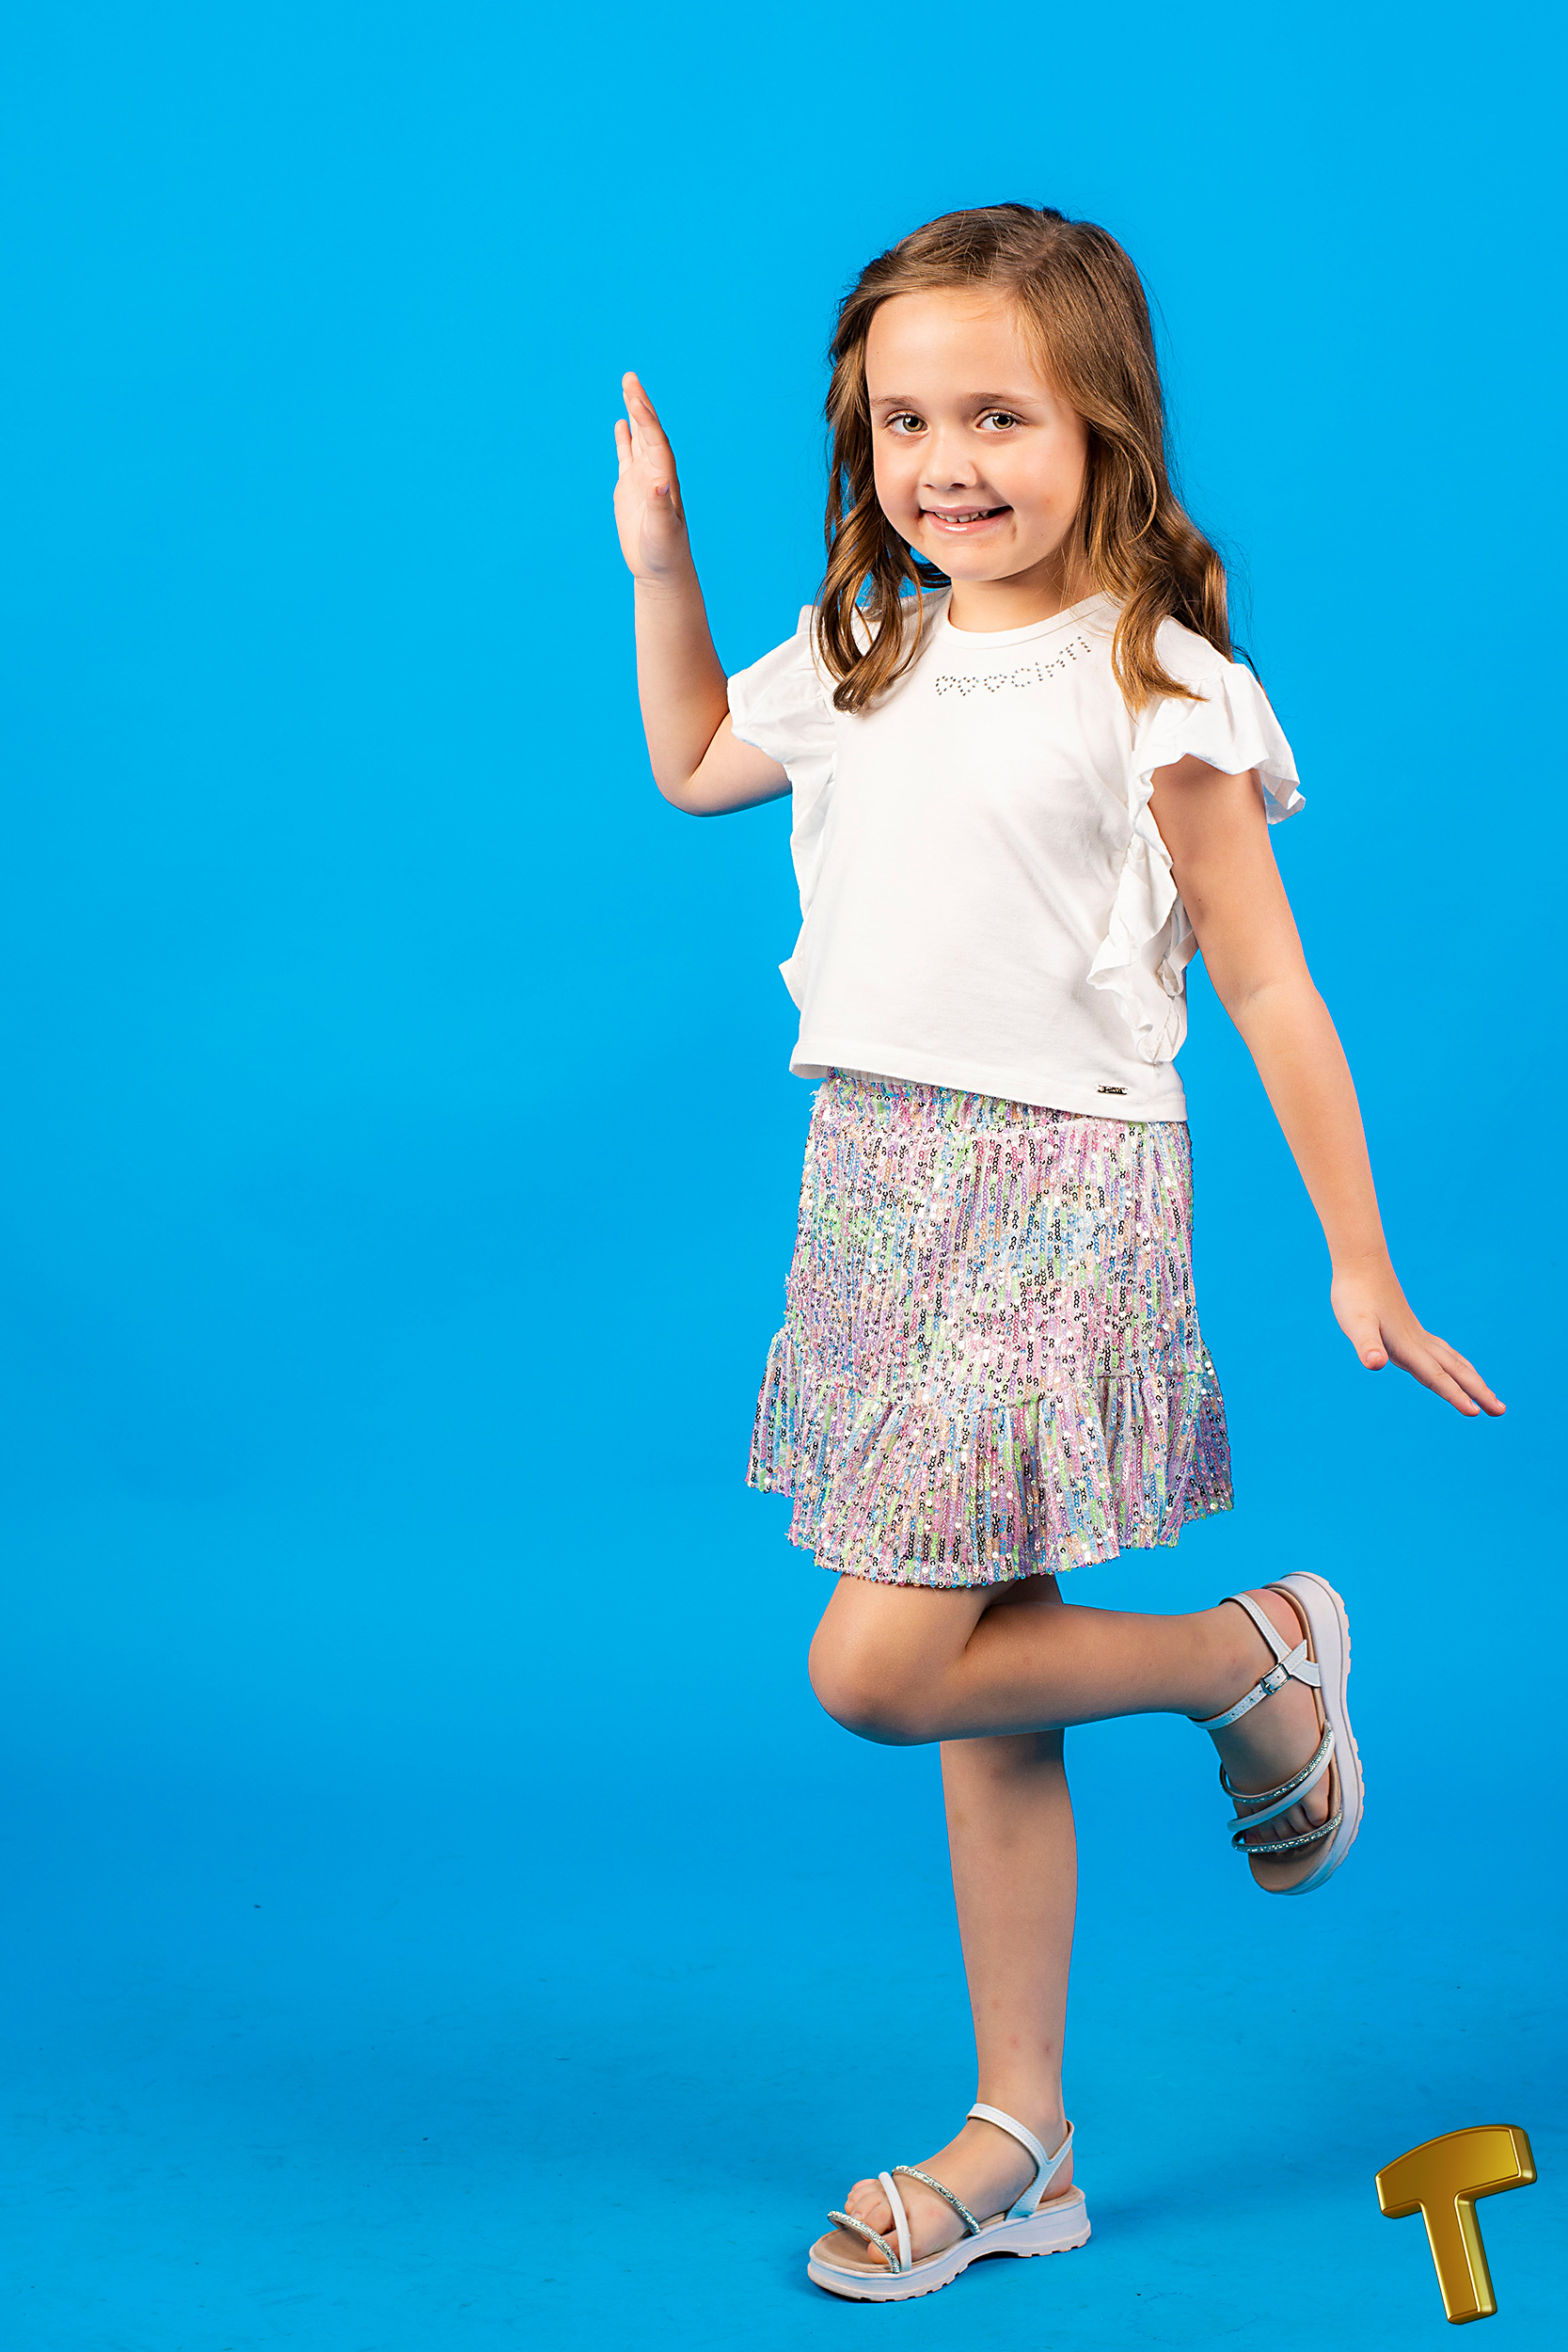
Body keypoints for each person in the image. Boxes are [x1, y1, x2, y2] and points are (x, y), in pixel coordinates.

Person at [611, 202, 1502, 2305]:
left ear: (1103, 423)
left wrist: (1359, 1259)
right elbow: (690, 764)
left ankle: (1247, 1657)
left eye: (999, 415)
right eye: (906, 420)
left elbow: (1270, 985)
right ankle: (1024, 2139)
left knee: (878, 1665)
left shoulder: (1160, 682)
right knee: (979, 1679)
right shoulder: (866, 649)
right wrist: (661, 562)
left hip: (1061, 1192)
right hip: (875, 1183)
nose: (948, 463)